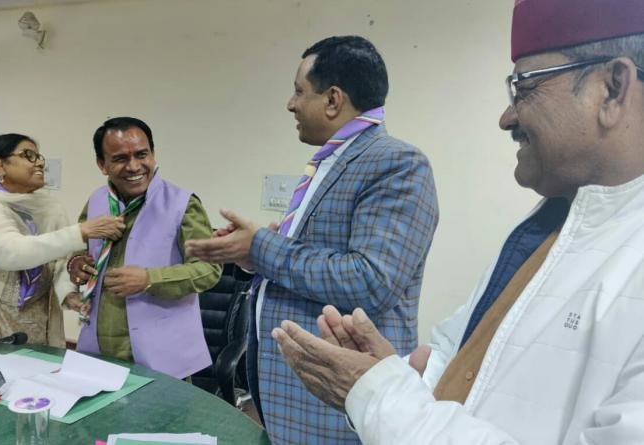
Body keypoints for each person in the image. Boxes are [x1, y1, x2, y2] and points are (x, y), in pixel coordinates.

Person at [273, 1, 644, 443]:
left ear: (612, 89)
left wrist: (377, 395)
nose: (507, 117)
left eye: (524, 88)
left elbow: (371, 279)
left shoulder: (398, 164)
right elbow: (464, 359)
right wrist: (403, 372)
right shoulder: (547, 226)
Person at [186, 36, 439, 443]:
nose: (291, 104)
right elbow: (315, 257)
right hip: (293, 397)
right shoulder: (330, 162)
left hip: (335, 410)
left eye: (299, 91)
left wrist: (261, 247)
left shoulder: (397, 163)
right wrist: (249, 254)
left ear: (333, 99)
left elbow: (371, 280)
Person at [0, 133, 125, 347]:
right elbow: (9, 251)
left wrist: (68, 294)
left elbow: (60, 261)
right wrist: (80, 232)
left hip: (37, 325)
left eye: (39, 157)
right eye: (28, 155)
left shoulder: (48, 208)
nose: (40, 163)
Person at [66, 117, 221, 379]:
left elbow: (209, 269)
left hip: (161, 354)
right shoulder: (96, 200)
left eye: (141, 154)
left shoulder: (183, 204)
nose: (134, 166)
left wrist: (149, 279)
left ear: (153, 154)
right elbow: (81, 248)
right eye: (120, 158)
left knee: (161, 408)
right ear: (102, 164)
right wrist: (77, 264)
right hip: (100, 347)